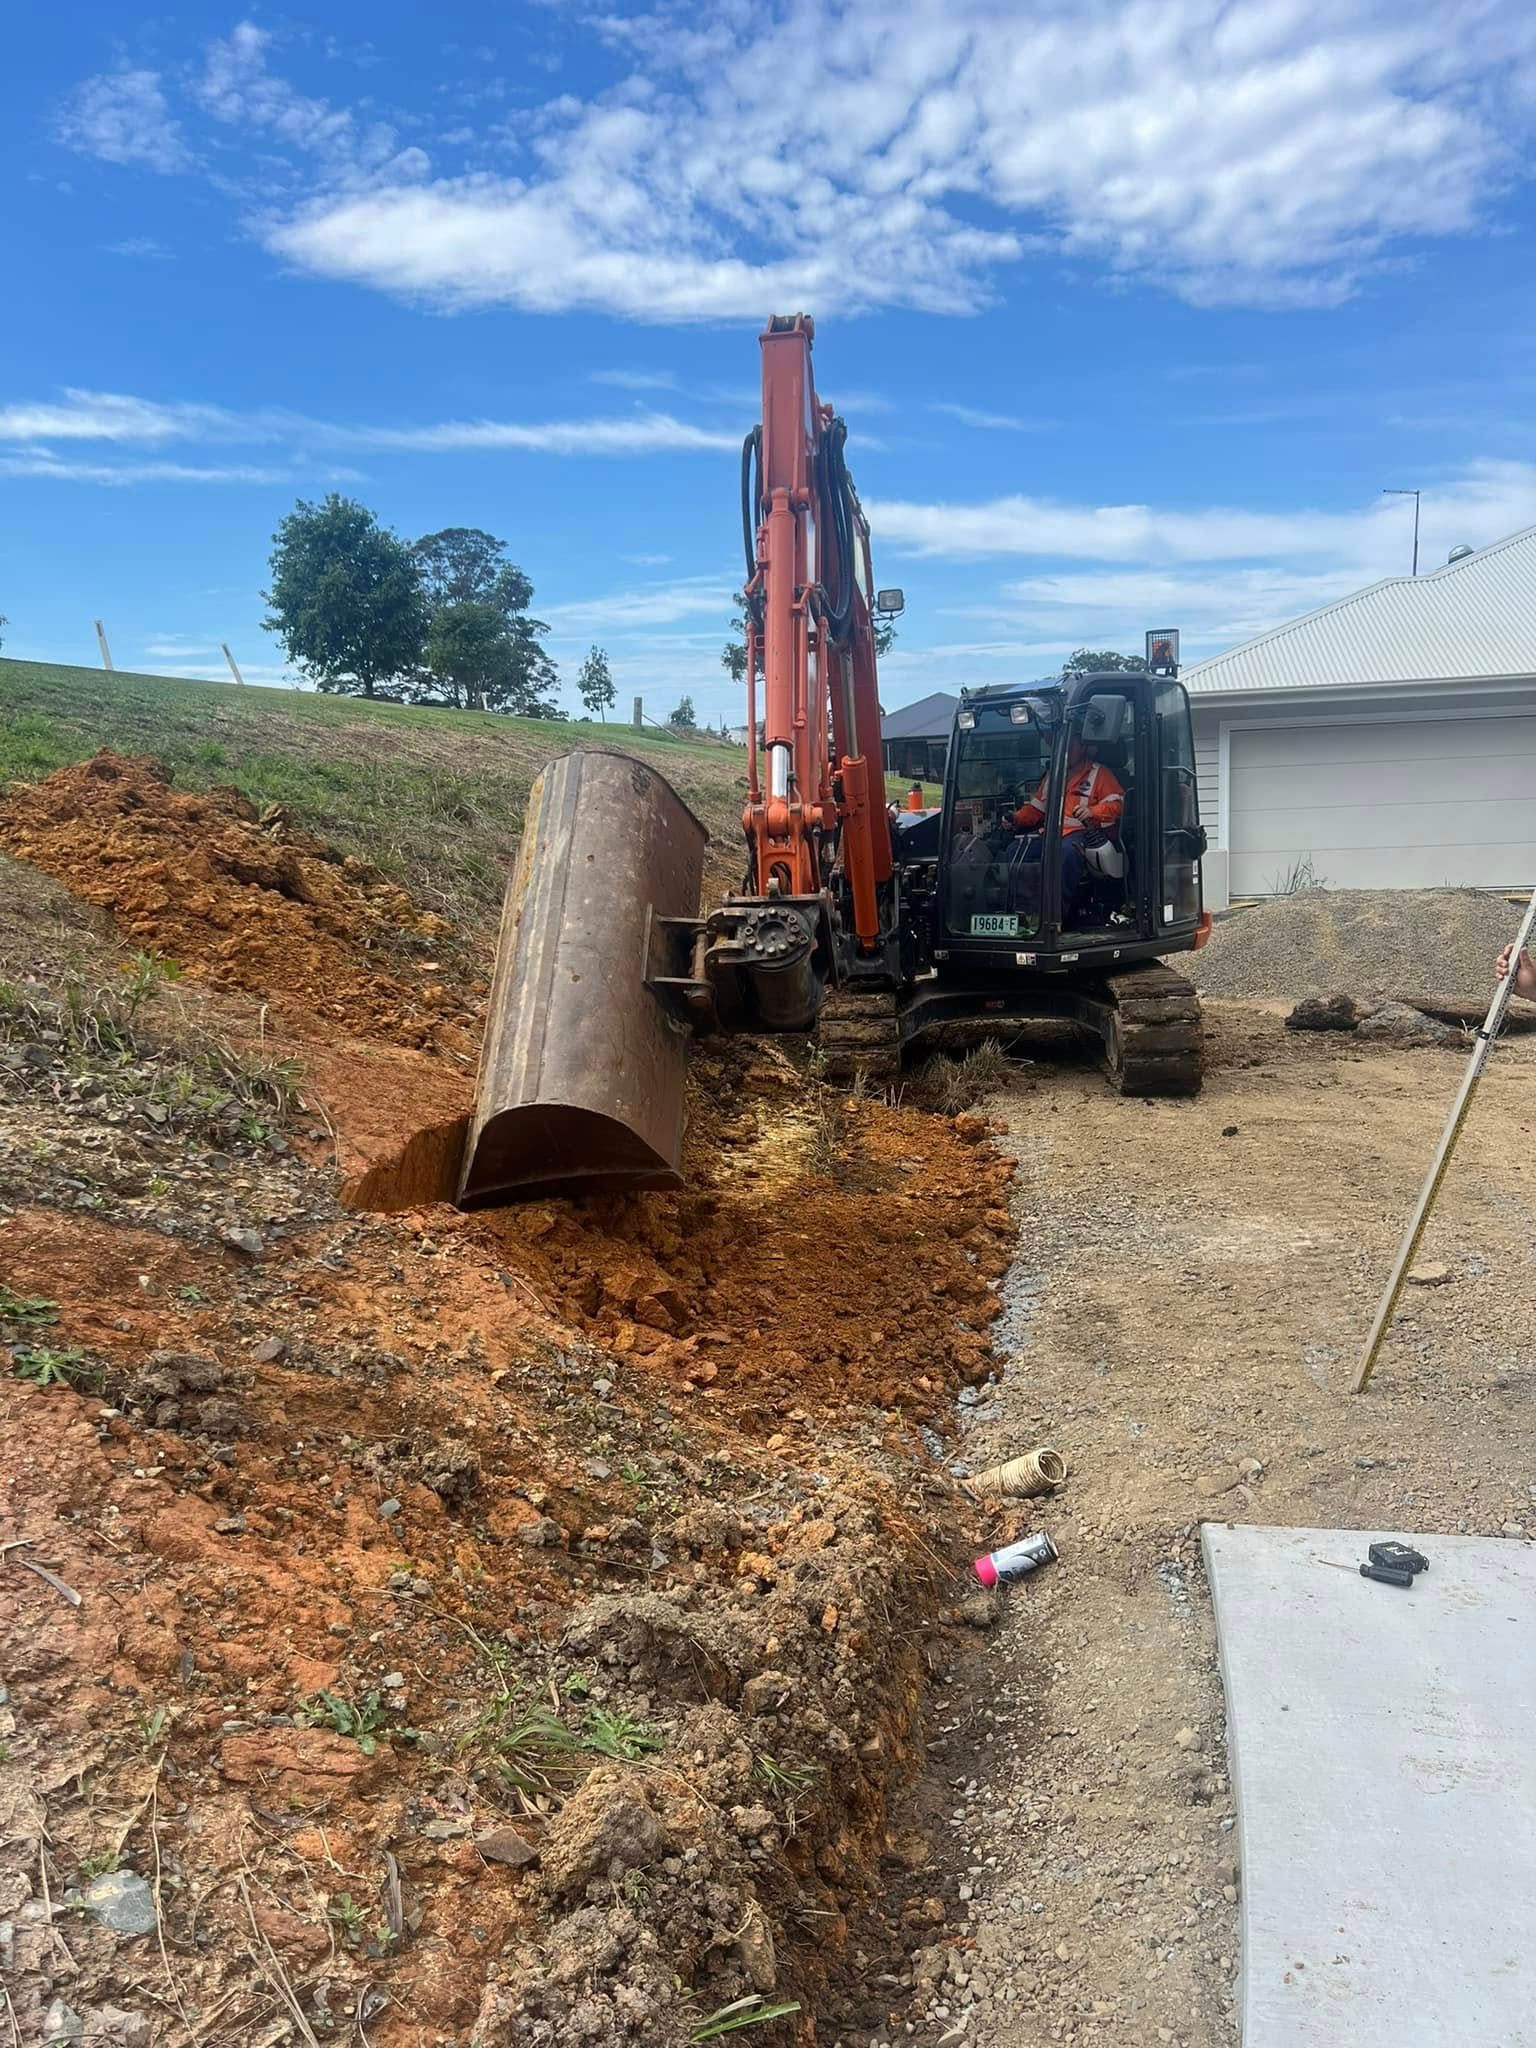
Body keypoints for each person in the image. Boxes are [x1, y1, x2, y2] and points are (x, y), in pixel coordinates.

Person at [1008, 735, 1125, 913]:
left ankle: (1056, 912)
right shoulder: (1053, 776)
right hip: (1051, 835)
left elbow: (1117, 804)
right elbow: (1036, 809)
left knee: (1065, 854)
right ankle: (1025, 909)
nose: (1065, 751)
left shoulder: (1100, 774)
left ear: (1084, 747)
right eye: (1061, 746)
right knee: (1015, 850)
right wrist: (1015, 819)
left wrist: (1093, 811)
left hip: (1084, 833)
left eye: (1071, 745)